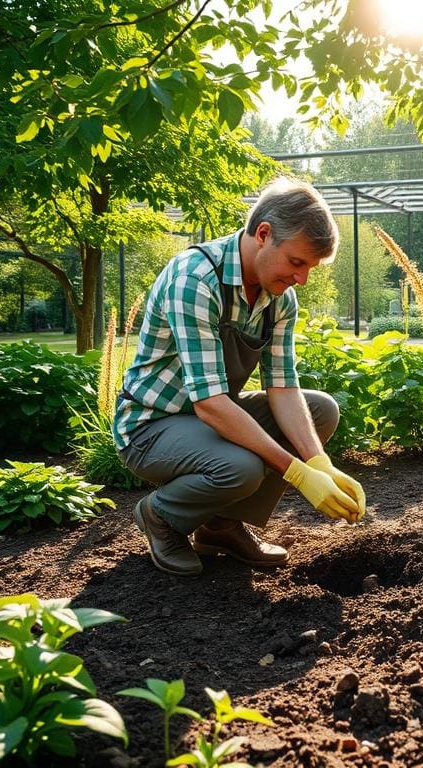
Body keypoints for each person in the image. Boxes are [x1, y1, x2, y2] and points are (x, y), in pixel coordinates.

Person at [113, 178, 366, 577]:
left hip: (203, 420)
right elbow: (211, 404)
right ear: (263, 234)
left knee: (321, 411)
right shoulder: (196, 278)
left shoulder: (278, 296)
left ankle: (221, 528)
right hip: (151, 426)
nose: (302, 278)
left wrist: (321, 463)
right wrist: (299, 474)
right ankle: (161, 516)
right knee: (241, 466)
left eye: (310, 269)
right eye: (297, 263)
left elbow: (283, 385)